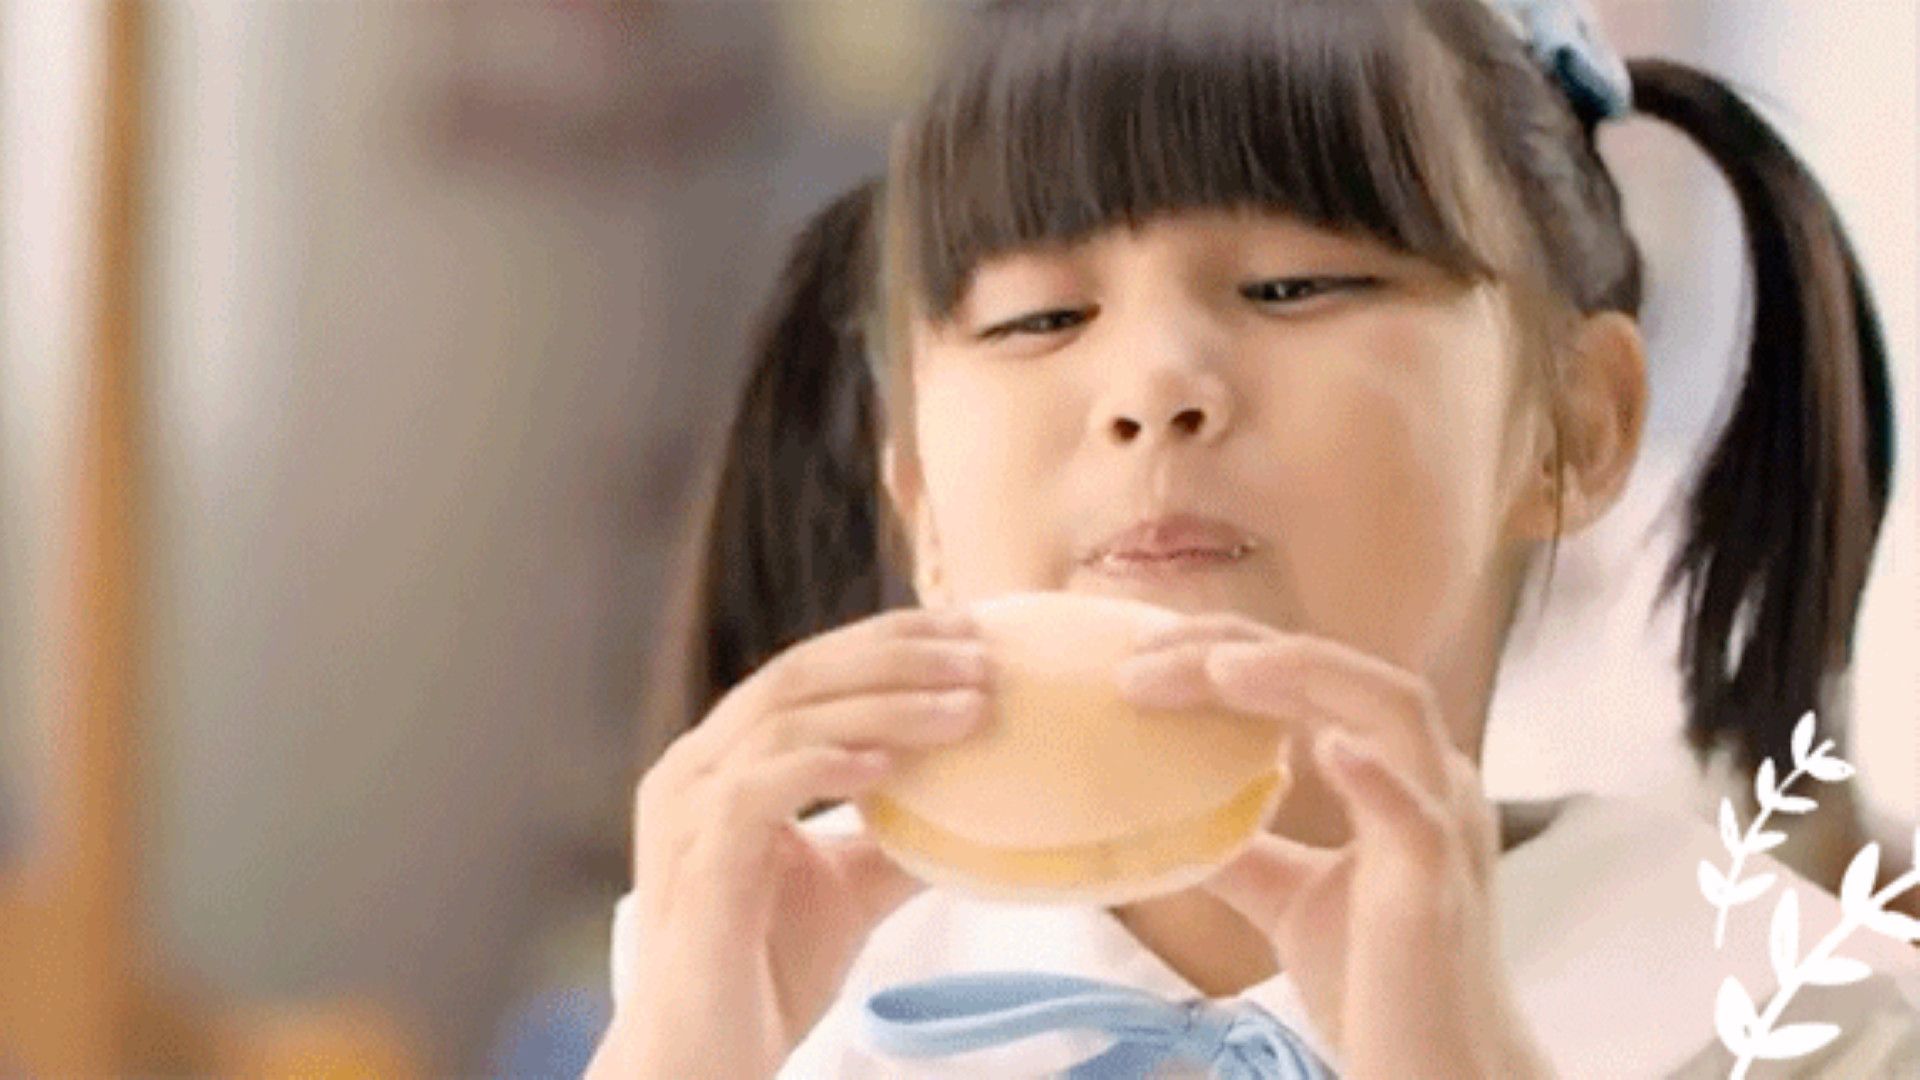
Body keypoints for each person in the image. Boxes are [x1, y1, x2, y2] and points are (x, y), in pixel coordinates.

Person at [587, 0, 1917, 1076]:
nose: (1153, 383)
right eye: (1038, 320)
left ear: (1575, 424)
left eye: (1293, 286)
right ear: (920, 499)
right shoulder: (766, 1011)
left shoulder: (1796, 1012)